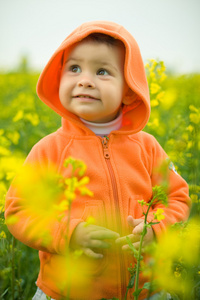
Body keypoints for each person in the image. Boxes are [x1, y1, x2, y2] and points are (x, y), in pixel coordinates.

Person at [5, 21, 190, 300]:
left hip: (145, 290)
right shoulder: (48, 150)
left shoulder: (148, 147)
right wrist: (68, 234)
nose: (85, 80)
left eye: (102, 71)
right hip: (67, 292)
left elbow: (177, 198)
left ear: (129, 90)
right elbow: (19, 211)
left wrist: (156, 228)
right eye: (74, 68)